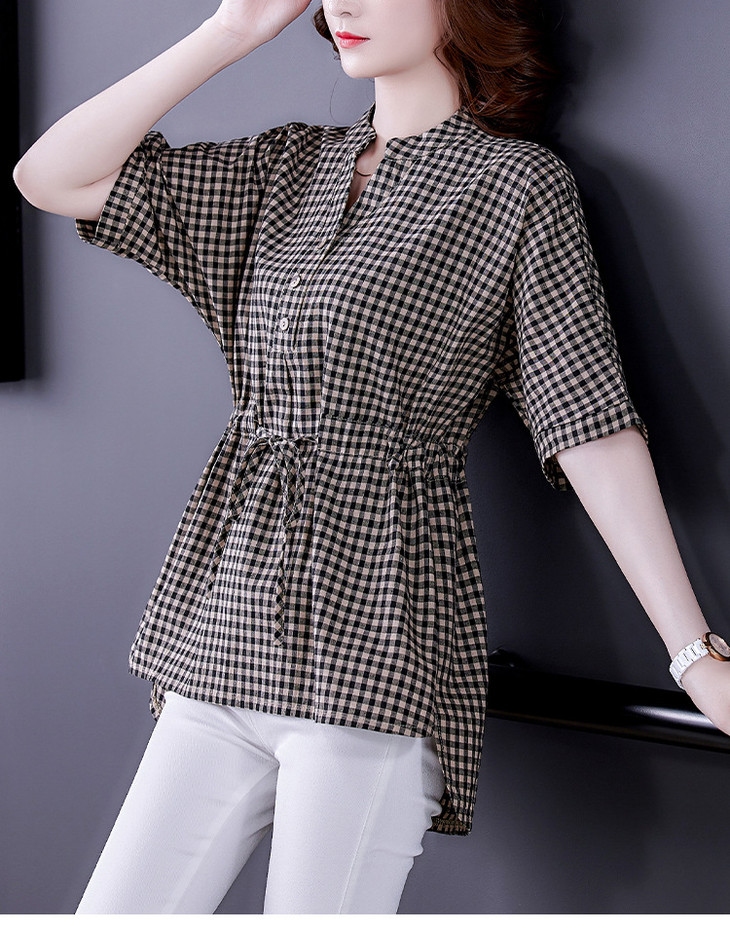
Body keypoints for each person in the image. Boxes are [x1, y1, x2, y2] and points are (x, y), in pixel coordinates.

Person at [13, 0, 730, 916]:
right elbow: (51, 176)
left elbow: (588, 423)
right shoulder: (289, 168)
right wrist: (231, 31)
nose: (344, 2)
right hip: (228, 631)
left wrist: (693, 654)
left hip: (380, 644)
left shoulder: (514, 188)